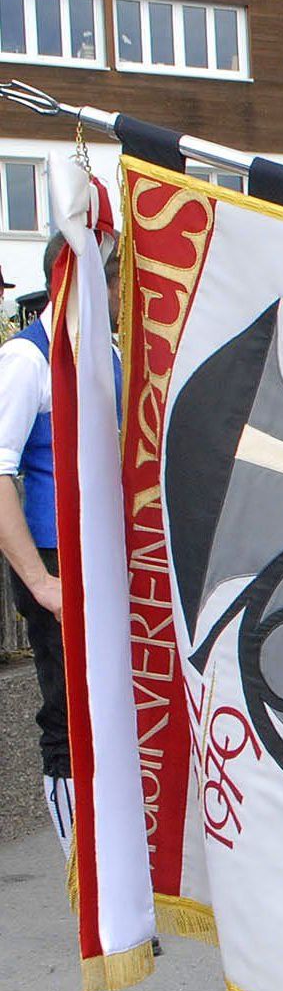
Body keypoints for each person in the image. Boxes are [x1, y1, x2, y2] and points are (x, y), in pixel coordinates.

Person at [0, 233, 82, 851]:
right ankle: (92, 891)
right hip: (55, 560)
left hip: (104, 561)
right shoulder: (26, 359)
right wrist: (40, 582)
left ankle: (124, 886)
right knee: (68, 720)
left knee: (115, 719)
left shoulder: (104, 350)